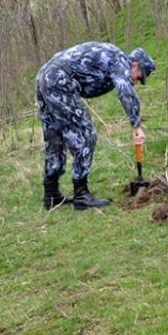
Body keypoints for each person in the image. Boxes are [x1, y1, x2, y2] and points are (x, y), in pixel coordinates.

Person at [36, 43, 156, 210]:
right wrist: (136, 126)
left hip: (46, 75)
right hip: (60, 79)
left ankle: (51, 195)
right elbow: (125, 90)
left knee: (54, 134)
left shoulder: (113, 56)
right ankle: (81, 194)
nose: (136, 81)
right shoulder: (121, 61)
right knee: (86, 134)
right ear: (135, 65)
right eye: (139, 76)